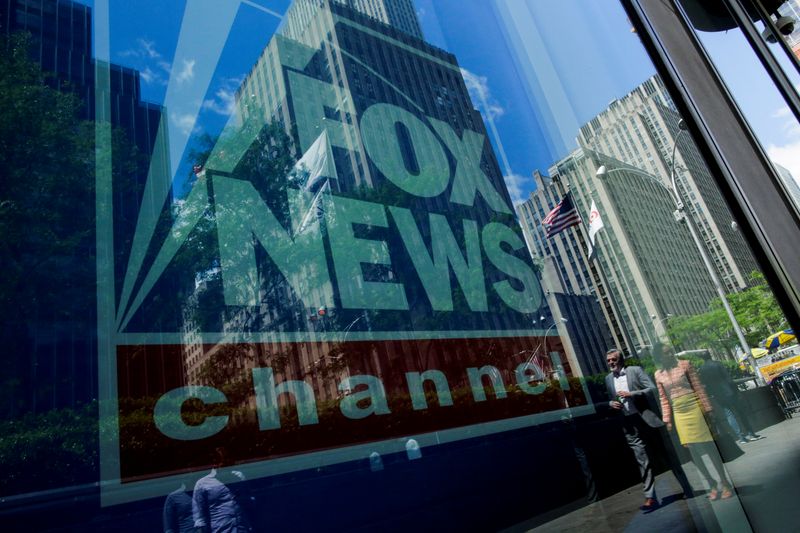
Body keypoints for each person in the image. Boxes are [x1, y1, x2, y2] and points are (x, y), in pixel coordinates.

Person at [604, 348, 693, 511]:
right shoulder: (608, 379)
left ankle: (687, 487)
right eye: (608, 360)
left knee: (668, 455)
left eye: (613, 359)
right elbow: (611, 398)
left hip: (648, 420)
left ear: (621, 360)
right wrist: (611, 403)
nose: (610, 362)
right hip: (629, 424)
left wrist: (632, 394)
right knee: (641, 460)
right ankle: (650, 498)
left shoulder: (635, 371)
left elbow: (651, 388)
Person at [654, 348, 734, 501]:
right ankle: (711, 483)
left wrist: (708, 409)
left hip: (695, 407)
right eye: (666, 352)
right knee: (693, 451)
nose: (671, 354)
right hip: (679, 412)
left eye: (670, 351)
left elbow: (698, 387)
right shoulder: (658, 374)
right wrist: (667, 420)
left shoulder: (685, 364)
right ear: (659, 357)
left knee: (709, 447)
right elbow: (663, 398)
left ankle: (724, 482)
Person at [697, 351, 763, 445]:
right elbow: (728, 378)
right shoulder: (718, 364)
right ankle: (750, 433)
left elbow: (705, 384)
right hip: (729, 392)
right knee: (740, 412)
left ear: (701, 359)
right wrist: (735, 390)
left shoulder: (702, 369)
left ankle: (741, 437)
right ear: (710, 355)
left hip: (718, 395)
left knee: (729, 414)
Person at [192, 447, 255, 532]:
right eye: (224, 464)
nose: (228, 467)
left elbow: (249, 502)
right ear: (215, 464)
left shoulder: (238, 477)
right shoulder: (202, 484)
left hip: (242, 529)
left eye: (230, 464)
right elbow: (199, 517)